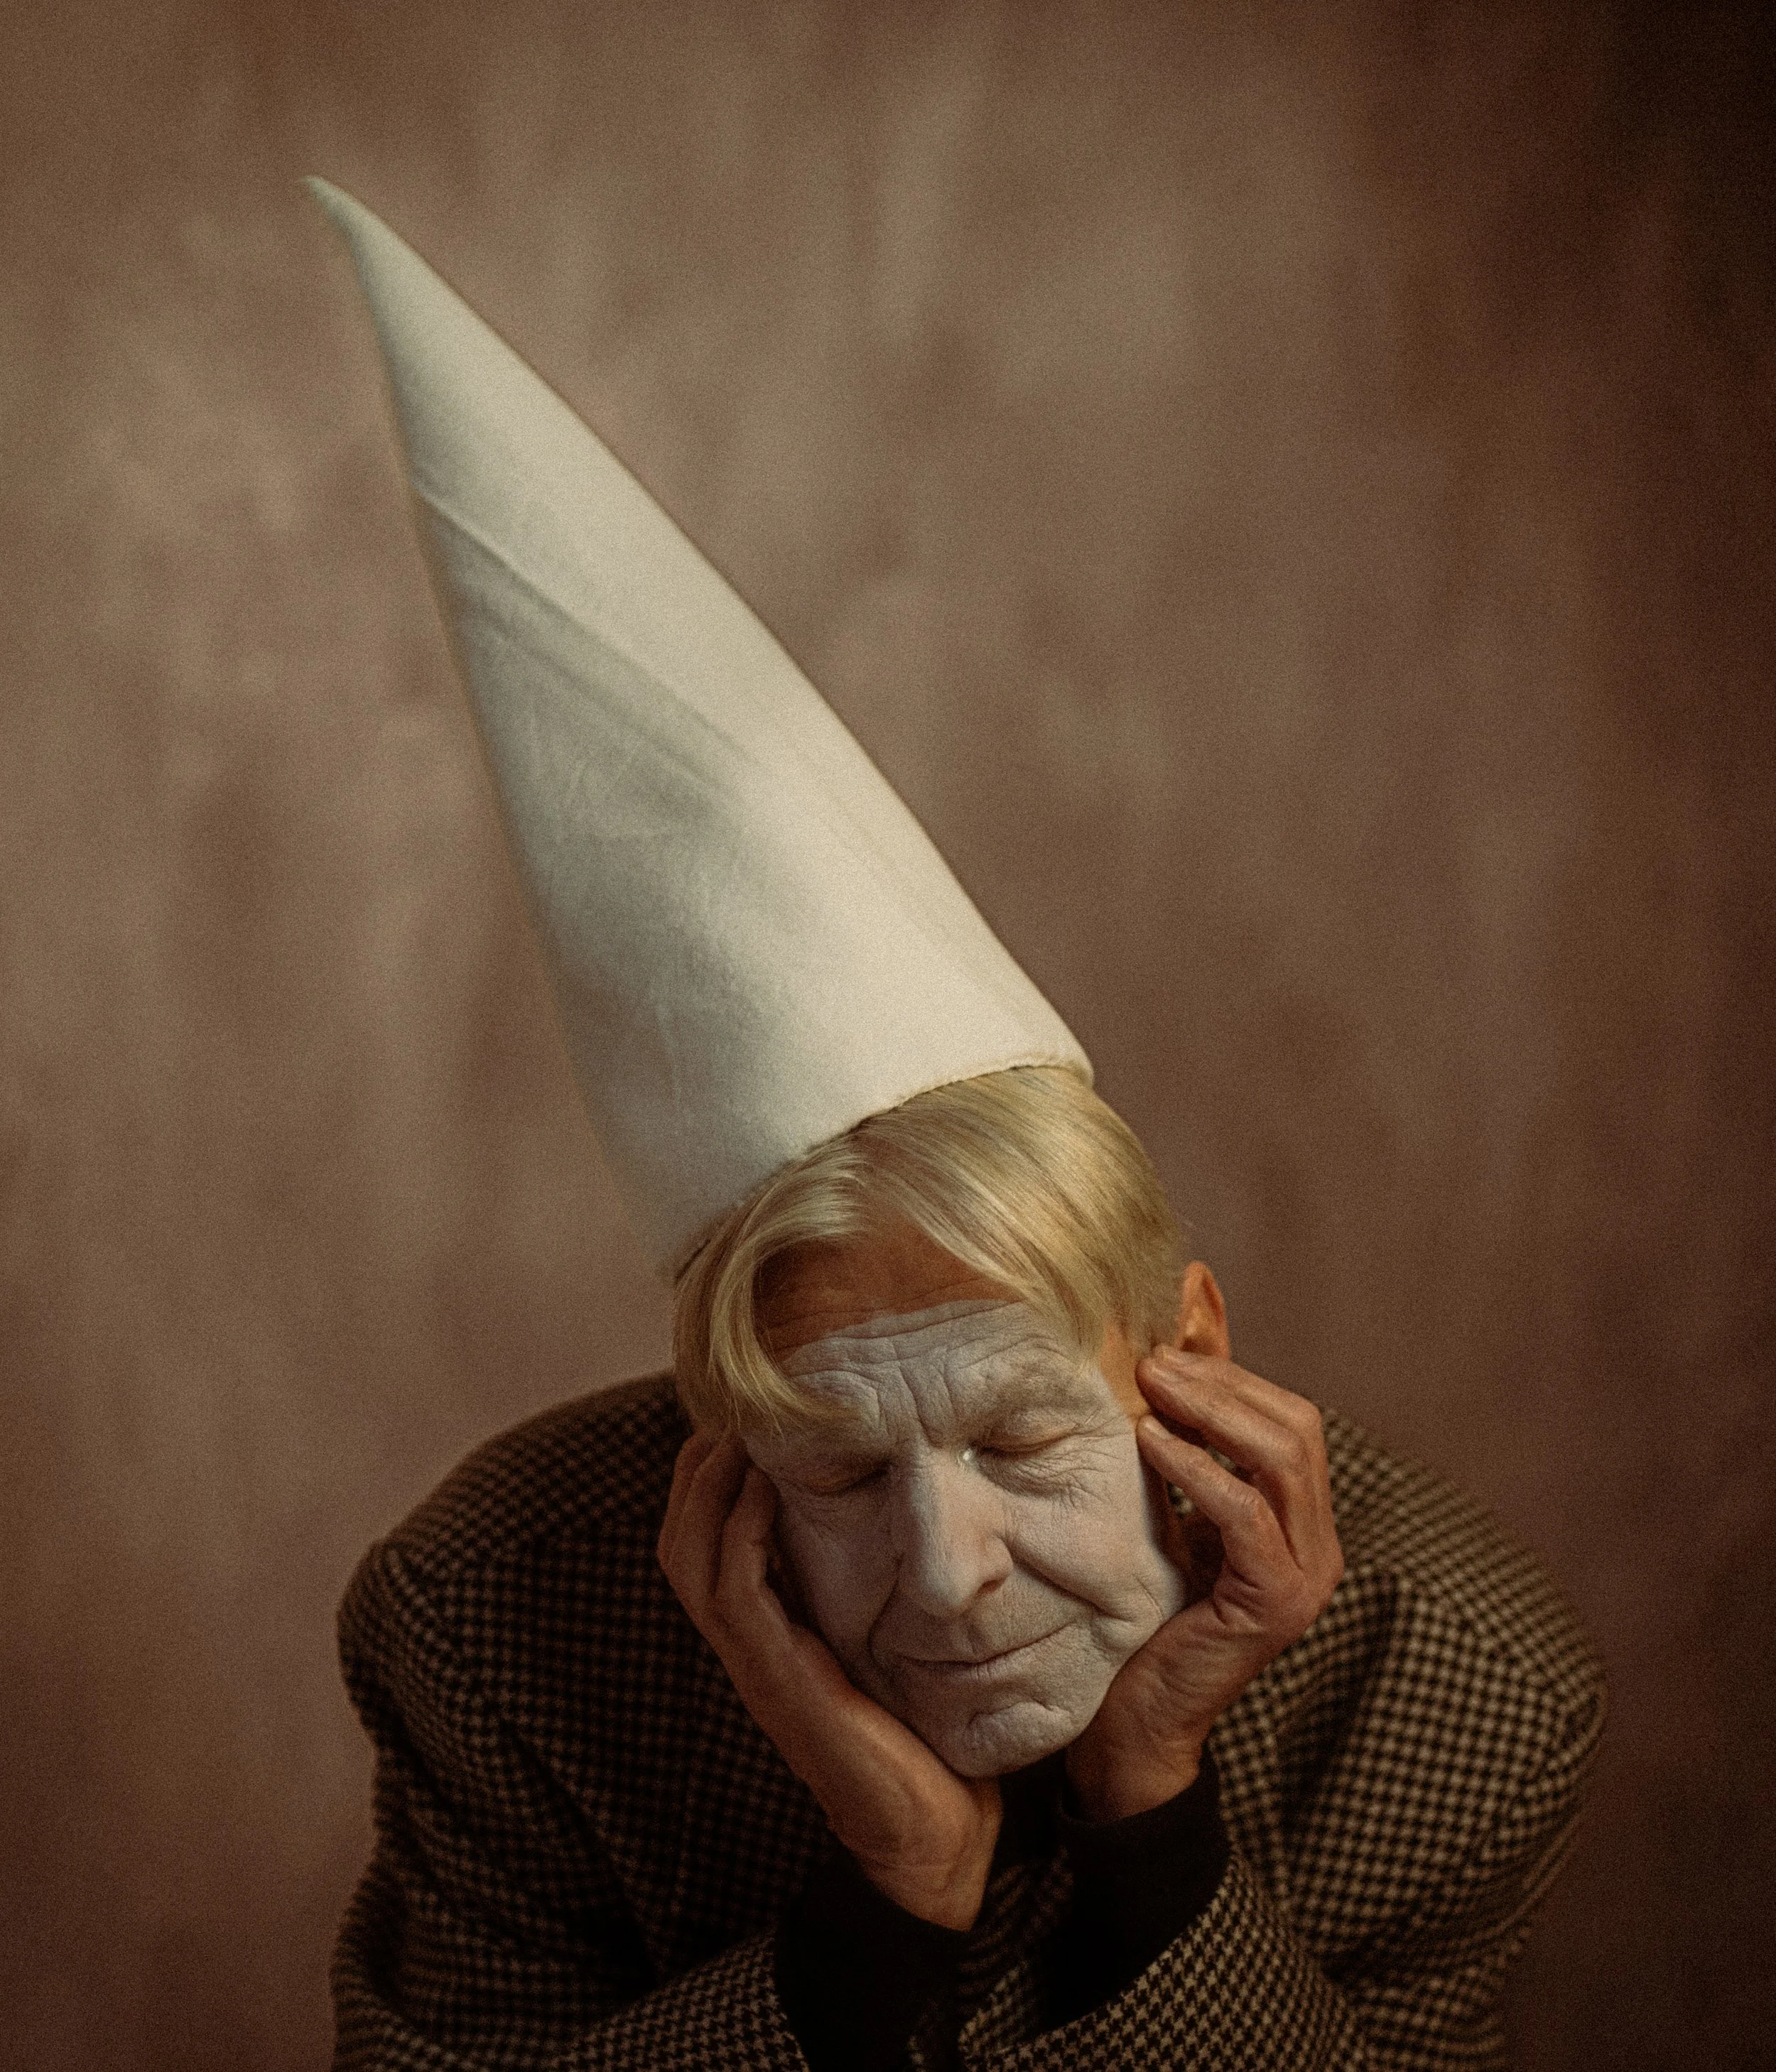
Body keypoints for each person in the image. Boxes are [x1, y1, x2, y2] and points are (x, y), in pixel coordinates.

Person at [310, 183, 1606, 2071]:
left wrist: (1153, 1827)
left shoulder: (1447, 1687)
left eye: (1021, 1432)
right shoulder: (489, 1623)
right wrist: (882, 1904)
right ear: (718, 1439)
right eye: (834, 1470)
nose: (943, 1572)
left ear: (1186, 1356)